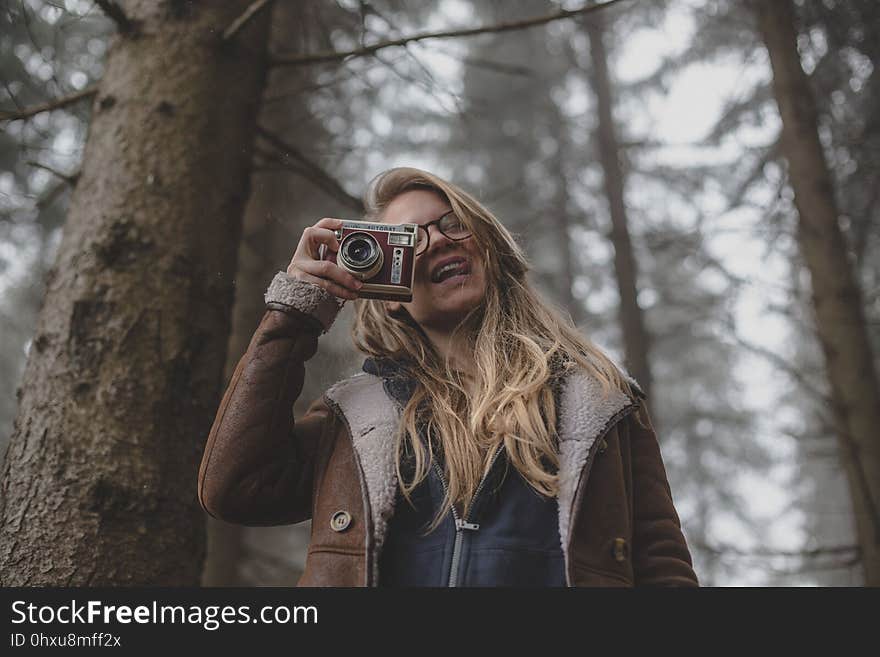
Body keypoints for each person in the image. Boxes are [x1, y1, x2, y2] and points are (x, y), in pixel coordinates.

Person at [197, 167, 699, 587]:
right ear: (388, 292)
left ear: (487, 247)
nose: (437, 241)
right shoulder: (356, 418)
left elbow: (662, 567)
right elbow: (238, 487)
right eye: (408, 240)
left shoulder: (599, 401)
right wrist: (296, 313)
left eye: (453, 223)